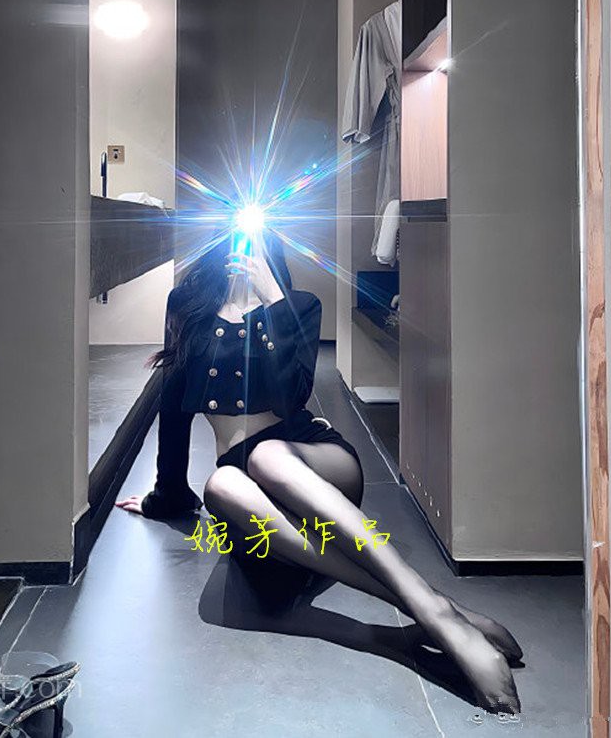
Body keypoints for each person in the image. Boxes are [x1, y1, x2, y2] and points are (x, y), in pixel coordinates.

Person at [116, 231, 522, 715]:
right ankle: (436, 608)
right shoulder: (185, 304)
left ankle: (435, 614)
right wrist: (166, 495)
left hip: (314, 461)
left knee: (267, 456)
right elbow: (172, 406)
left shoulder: (299, 306)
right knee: (220, 482)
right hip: (249, 489)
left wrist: (273, 300)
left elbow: (291, 399)